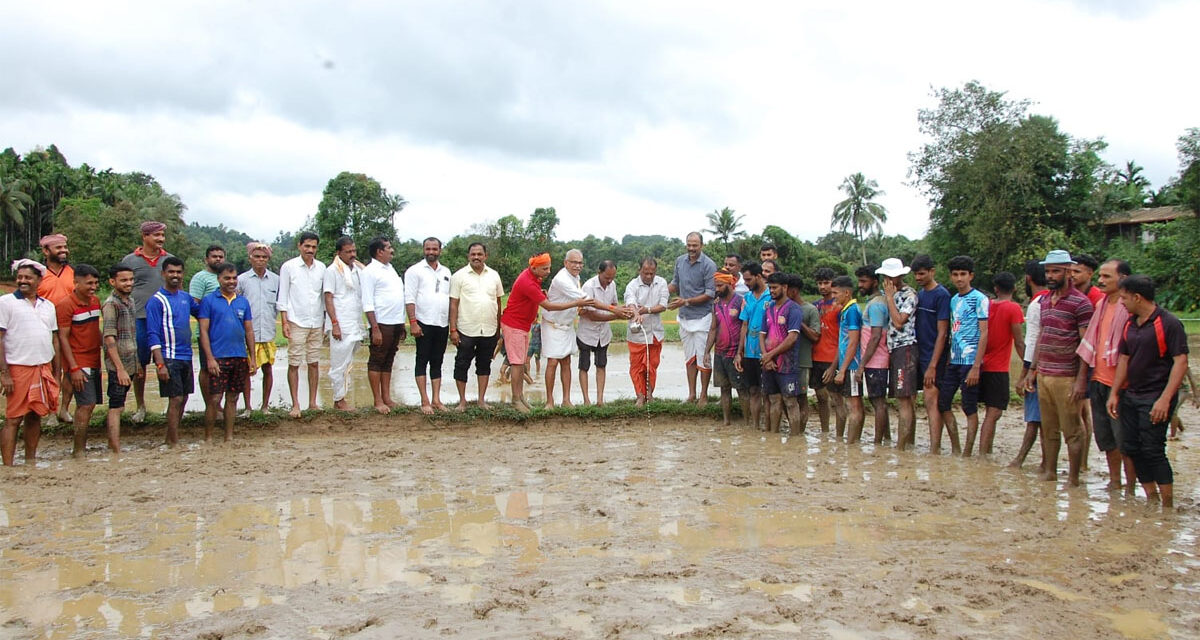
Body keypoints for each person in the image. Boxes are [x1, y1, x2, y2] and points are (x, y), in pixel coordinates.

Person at [1106, 275, 1189, 509]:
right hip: (1132, 395)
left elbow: (1180, 362)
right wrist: (1114, 393)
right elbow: (1124, 358)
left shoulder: (1169, 323)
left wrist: (1165, 400)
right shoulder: (1131, 324)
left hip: (1156, 396)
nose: (1121, 302)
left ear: (1137, 297)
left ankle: (1168, 504)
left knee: (1153, 449)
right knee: (1132, 447)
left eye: (1124, 298)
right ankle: (1151, 497)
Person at [1025, 250, 1093, 487]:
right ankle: (1051, 472)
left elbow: (1086, 344)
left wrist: (1081, 380)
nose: (1051, 276)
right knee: (1049, 429)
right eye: (1048, 271)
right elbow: (1042, 335)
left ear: (1068, 272)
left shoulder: (1081, 304)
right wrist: (1032, 370)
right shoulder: (1044, 301)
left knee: (1073, 430)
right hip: (1045, 373)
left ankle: (1074, 478)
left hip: (1067, 375)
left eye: (1056, 271)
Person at [501, 253, 593, 413]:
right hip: (515, 324)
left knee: (521, 362)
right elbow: (549, 306)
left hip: (523, 325)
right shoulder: (528, 282)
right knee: (517, 363)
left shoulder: (534, 278)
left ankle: (521, 397)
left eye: (549, 267)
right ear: (533, 267)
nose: (548, 271)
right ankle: (516, 399)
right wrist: (577, 303)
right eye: (545, 268)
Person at [1078, 259, 1135, 493]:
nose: (1101, 280)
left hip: (1121, 385)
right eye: (1100, 276)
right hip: (1098, 379)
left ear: (1122, 279)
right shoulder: (1101, 305)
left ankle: (1131, 485)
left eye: (1107, 277)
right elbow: (1090, 341)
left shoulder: (1129, 308)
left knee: (1125, 440)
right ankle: (1114, 480)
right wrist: (1083, 378)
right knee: (1106, 438)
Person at [0, 260, 60, 466]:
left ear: (39, 280)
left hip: (43, 367)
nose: (22, 281)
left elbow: (54, 340)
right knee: (14, 418)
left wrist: (56, 372)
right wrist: (4, 373)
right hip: (18, 368)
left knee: (35, 415)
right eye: (20, 277)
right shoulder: (6, 303)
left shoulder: (48, 306)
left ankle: (30, 461)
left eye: (28, 277)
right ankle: (7, 465)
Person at [120, 221, 174, 424]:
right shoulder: (130, 260)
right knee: (140, 364)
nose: (160, 239)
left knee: (168, 362)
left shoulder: (168, 260)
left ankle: (171, 406)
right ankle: (141, 405)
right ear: (144, 236)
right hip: (139, 318)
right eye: (156, 235)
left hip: (164, 319)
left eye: (162, 235)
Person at [145, 256, 199, 447]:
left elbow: (202, 313)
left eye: (178, 272)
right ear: (163, 274)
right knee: (175, 398)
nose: (175, 275)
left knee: (183, 398)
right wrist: (160, 364)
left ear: (182, 274)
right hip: (168, 357)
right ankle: (174, 443)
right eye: (171, 272)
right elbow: (152, 334)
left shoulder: (185, 298)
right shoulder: (156, 301)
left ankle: (170, 439)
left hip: (186, 355)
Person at [198, 263, 255, 442]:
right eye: (227, 278)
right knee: (214, 398)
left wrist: (251, 357)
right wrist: (210, 359)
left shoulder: (242, 302)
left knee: (233, 398)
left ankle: (228, 437)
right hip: (218, 357)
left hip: (239, 356)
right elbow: (203, 332)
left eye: (234, 278)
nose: (231, 282)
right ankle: (208, 437)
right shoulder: (209, 301)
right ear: (219, 279)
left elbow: (249, 331)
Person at [939, 256, 989, 457]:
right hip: (954, 360)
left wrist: (977, 365)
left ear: (971, 276)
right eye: (955, 275)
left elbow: (984, 332)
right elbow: (953, 330)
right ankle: (956, 447)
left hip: (971, 362)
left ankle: (968, 451)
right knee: (944, 403)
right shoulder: (953, 300)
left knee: (969, 407)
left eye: (963, 274)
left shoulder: (979, 299)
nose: (959, 279)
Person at [974, 271, 1024, 456]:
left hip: (981, 364)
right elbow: (1018, 341)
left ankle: (983, 451)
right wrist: (1029, 365)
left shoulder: (986, 306)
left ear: (996, 288)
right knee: (993, 413)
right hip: (998, 368)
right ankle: (984, 453)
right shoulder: (1013, 309)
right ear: (1015, 288)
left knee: (988, 412)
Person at [449, 242, 504, 410]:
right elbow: (453, 304)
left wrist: (498, 328)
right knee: (461, 364)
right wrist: (453, 330)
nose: (476, 257)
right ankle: (462, 401)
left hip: (488, 329)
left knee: (484, 365)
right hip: (466, 329)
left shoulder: (494, 275)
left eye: (479, 254)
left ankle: (481, 400)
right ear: (468, 256)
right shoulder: (459, 276)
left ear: (485, 256)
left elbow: (498, 302)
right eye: (473, 254)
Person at [276, 232, 326, 418]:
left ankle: (312, 402)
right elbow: (283, 295)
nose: (310, 250)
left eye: (313, 247)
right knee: (294, 362)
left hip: (316, 321)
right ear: (299, 246)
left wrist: (324, 322)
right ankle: (295, 404)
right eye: (307, 246)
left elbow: (323, 296)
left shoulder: (321, 268)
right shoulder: (288, 267)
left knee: (313, 362)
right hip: (296, 320)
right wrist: (284, 321)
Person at [56, 264, 103, 458]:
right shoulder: (65, 305)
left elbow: (94, 329)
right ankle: (78, 450)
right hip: (79, 361)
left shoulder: (95, 301)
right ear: (76, 282)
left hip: (94, 359)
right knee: (86, 404)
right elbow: (63, 339)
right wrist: (73, 368)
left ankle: (81, 448)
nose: (93, 287)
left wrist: (107, 347)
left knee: (90, 405)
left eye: (95, 283)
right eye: (89, 283)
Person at [912, 255, 956, 454]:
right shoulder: (920, 294)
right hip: (920, 353)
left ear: (932, 272)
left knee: (932, 401)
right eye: (916, 274)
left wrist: (932, 365)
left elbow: (943, 332)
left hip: (933, 356)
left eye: (922, 273)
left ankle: (935, 447)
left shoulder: (941, 295)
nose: (918, 277)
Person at [360, 237, 408, 414]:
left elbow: (397, 296)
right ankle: (378, 400)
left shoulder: (390, 268)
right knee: (377, 360)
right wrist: (375, 328)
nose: (392, 250)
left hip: (395, 321)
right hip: (381, 323)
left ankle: (387, 397)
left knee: (389, 360)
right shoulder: (369, 271)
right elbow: (367, 301)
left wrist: (402, 323)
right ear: (379, 251)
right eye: (388, 248)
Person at [668, 232, 717, 406]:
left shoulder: (709, 265)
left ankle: (704, 395)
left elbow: (711, 293)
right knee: (689, 357)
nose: (691, 249)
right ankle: (691, 394)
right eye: (689, 245)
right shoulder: (680, 261)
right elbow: (675, 283)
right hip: (684, 317)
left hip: (703, 317)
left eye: (695, 245)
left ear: (701, 246)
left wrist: (686, 301)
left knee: (703, 357)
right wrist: (660, 289)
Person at [404, 237, 452, 414]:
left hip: (442, 323)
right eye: (428, 249)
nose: (431, 252)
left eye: (434, 249)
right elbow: (409, 298)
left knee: (437, 361)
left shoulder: (446, 272)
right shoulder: (414, 271)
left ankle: (437, 400)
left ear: (440, 250)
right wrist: (413, 322)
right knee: (422, 360)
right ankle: (424, 400)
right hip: (423, 323)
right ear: (423, 250)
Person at [1011, 261, 1049, 469]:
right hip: (1052, 366)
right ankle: (1046, 462)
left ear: (1028, 279)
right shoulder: (1052, 301)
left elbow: (1034, 341)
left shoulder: (1037, 304)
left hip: (1038, 367)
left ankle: (1024, 461)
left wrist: (1026, 373)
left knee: (1035, 418)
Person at [758, 273, 806, 437]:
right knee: (773, 400)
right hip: (769, 362)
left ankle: (795, 437)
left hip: (787, 364)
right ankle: (773, 435)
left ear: (784, 287)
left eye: (775, 287)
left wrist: (769, 355)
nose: (771, 291)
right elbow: (762, 334)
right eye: (770, 287)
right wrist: (766, 357)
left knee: (791, 401)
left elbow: (792, 338)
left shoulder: (794, 310)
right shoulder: (769, 309)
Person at [879, 259, 919, 450]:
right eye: (885, 276)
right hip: (894, 349)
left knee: (904, 399)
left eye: (890, 276)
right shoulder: (891, 294)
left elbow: (899, 321)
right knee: (904, 398)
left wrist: (889, 298)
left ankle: (902, 446)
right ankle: (907, 442)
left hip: (905, 348)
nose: (887, 280)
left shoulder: (909, 294)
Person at [541, 250, 588, 408]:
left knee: (566, 361)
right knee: (552, 362)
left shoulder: (576, 277)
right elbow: (584, 299)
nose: (577, 266)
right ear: (565, 263)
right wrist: (613, 310)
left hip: (567, 325)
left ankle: (566, 400)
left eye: (580, 263)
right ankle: (549, 401)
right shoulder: (562, 279)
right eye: (574, 262)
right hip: (552, 324)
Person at [577, 260, 627, 406]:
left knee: (601, 365)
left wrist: (622, 310)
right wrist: (616, 314)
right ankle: (586, 400)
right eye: (606, 278)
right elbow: (590, 315)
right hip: (586, 333)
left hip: (603, 334)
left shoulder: (613, 285)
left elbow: (614, 305)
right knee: (584, 366)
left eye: (612, 278)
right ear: (599, 273)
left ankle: (600, 400)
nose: (609, 281)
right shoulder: (588, 286)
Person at [324, 237, 365, 411]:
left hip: (355, 322)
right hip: (340, 324)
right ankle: (338, 399)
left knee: (348, 362)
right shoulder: (332, 270)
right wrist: (335, 324)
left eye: (354, 251)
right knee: (339, 363)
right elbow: (328, 297)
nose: (352, 255)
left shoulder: (357, 270)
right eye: (348, 252)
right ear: (339, 253)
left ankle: (342, 397)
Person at [237, 242, 279, 413]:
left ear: (268, 259)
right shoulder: (241, 280)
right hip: (248, 333)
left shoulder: (276, 280)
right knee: (247, 370)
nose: (260, 260)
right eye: (257, 257)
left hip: (268, 331)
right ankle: (247, 407)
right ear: (250, 258)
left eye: (264, 257)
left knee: (268, 368)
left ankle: (265, 406)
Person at [101, 264, 138, 454]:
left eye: (131, 279)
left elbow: (131, 334)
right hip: (118, 364)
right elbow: (109, 338)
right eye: (123, 280)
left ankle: (114, 444)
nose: (128, 283)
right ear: (112, 282)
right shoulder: (111, 305)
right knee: (116, 406)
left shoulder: (130, 301)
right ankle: (114, 447)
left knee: (121, 404)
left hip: (131, 360)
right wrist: (120, 368)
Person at [38, 233, 75, 425]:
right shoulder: (39, 274)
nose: (64, 251)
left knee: (70, 370)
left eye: (65, 247)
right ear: (46, 251)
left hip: (70, 329)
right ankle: (50, 411)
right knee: (52, 371)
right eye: (58, 248)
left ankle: (64, 409)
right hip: (46, 330)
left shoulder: (72, 272)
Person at [1070, 252, 1101, 470]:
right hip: (1072, 358)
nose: (1072, 275)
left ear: (1090, 274)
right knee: (1078, 410)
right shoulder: (1070, 294)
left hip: (1089, 361)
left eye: (1077, 271)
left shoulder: (1097, 298)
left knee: (1083, 410)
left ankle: (1083, 462)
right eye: (1070, 271)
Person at [625, 258, 669, 408]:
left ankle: (649, 394)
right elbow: (630, 301)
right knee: (637, 367)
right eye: (646, 273)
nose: (649, 276)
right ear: (640, 271)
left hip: (655, 333)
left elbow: (663, 305)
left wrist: (646, 310)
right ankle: (640, 396)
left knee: (651, 366)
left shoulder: (661, 283)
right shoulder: (632, 285)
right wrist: (635, 312)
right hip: (637, 335)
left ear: (655, 272)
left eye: (652, 273)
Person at [824, 276, 863, 441]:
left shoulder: (852, 311)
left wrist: (843, 369)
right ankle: (852, 441)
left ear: (846, 293)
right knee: (851, 403)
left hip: (852, 365)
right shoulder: (846, 310)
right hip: (847, 364)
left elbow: (853, 342)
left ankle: (852, 444)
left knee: (854, 405)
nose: (833, 296)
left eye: (835, 293)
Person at [190, 245, 226, 421]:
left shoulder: (226, 276)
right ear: (206, 259)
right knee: (206, 368)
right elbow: (194, 304)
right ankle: (209, 405)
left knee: (223, 368)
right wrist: (208, 319)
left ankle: (218, 405)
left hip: (224, 334)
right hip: (206, 333)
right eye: (214, 256)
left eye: (220, 256)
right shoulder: (200, 278)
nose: (218, 259)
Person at [705, 271, 745, 426]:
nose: (717, 289)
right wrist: (707, 351)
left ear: (730, 284)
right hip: (720, 353)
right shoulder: (716, 304)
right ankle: (726, 421)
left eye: (720, 285)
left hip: (735, 353)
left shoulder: (741, 302)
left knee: (742, 389)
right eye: (715, 286)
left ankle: (748, 422)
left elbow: (744, 328)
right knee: (724, 389)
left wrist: (740, 352)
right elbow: (713, 328)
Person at [784, 273, 821, 437]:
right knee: (787, 397)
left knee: (801, 397)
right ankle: (794, 428)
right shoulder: (783, 308)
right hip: (786, 361)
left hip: (803, 361)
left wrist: (799, 322)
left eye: (786, 289)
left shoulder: (810, 310)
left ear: (793, 291)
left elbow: (815, 336)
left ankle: (800, 431)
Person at [857, 265, 891, 445]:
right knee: (878, 401)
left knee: (878, 402)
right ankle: (886, 439)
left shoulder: (877, 304)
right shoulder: (878, 301)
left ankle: (878, 443)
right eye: (859, 281)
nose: (860, 285)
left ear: (875, 282)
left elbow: (876, 336)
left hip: (876, 361)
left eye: (864, 281)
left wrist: (862, 364)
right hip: (876, 360)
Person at [810, 267, 843, 436]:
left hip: (832, 357)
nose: (823, 286)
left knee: (837, 399)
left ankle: (839, 435)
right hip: (816, 356)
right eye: (820, 283)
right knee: (821, 397)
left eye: (826, 283)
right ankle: (824, 432)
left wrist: (835, 365)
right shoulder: (815, 305)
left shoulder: (839, 307)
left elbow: (844, 338)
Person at [735, 262, 769, 428]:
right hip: (750, 353)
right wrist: (739, 352)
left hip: (769, 352)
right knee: (754, 390)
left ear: (758, 277)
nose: (746, 283)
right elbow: (744, 326)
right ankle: (755, 427)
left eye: (748, 280)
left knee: (769, 393)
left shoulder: (772, 295)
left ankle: (770, 427)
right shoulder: (747, 298)